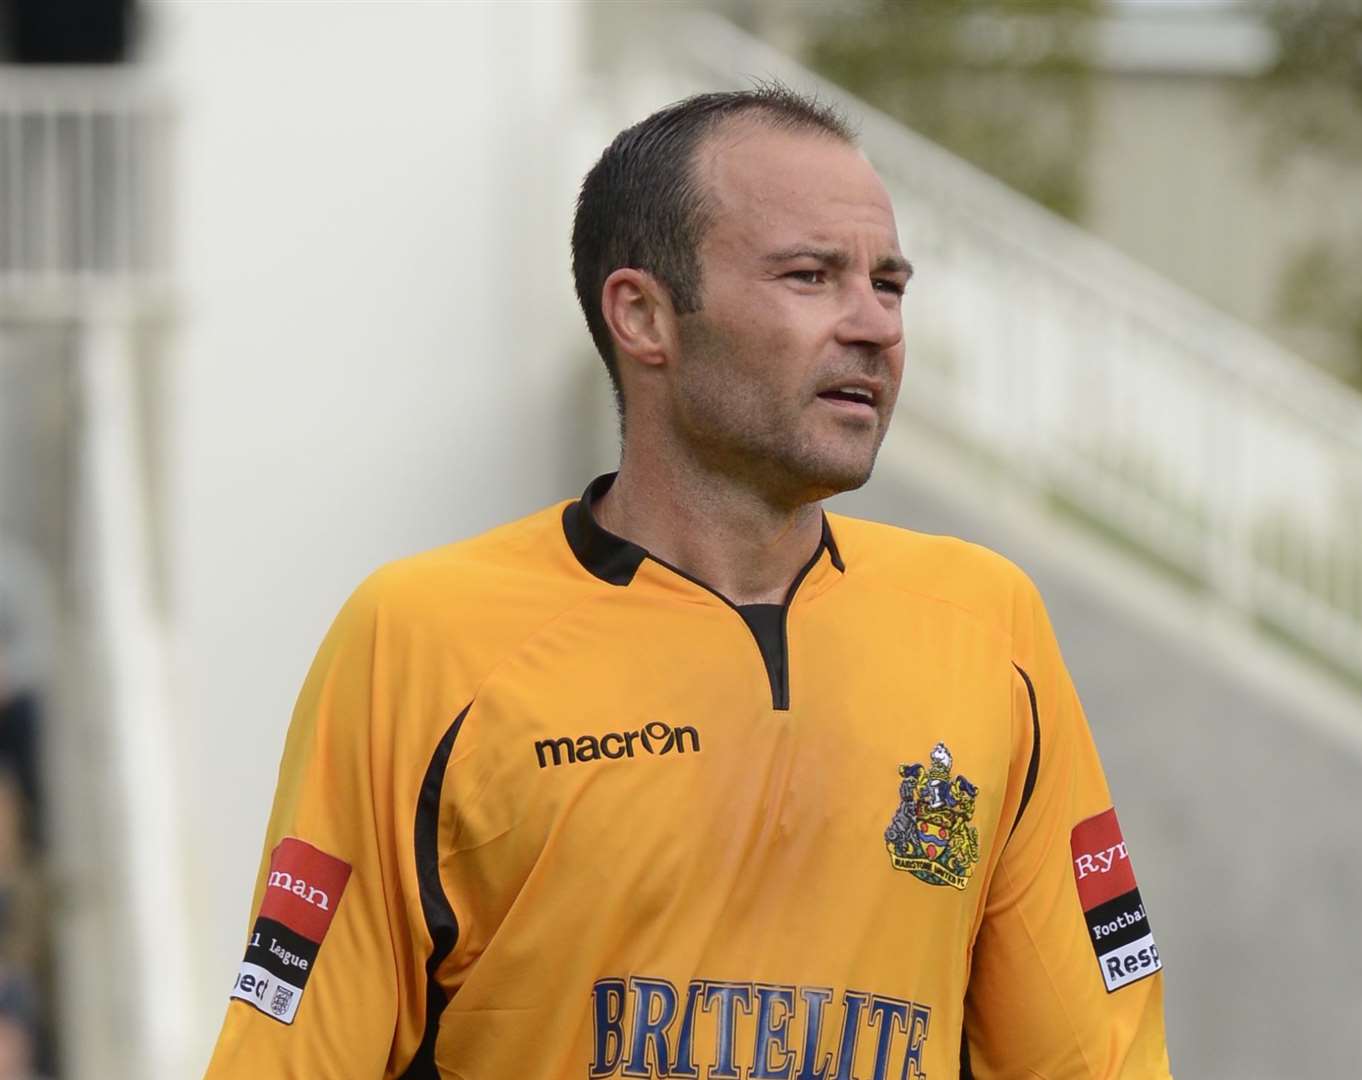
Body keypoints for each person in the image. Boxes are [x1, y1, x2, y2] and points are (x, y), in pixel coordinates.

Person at [203, 85, 1172, 1079]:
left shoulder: (983, 623)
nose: (874, 326)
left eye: (889, 285)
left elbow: (1097, 1057)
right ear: (644, 316)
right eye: (810, 275)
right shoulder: (422, 634)